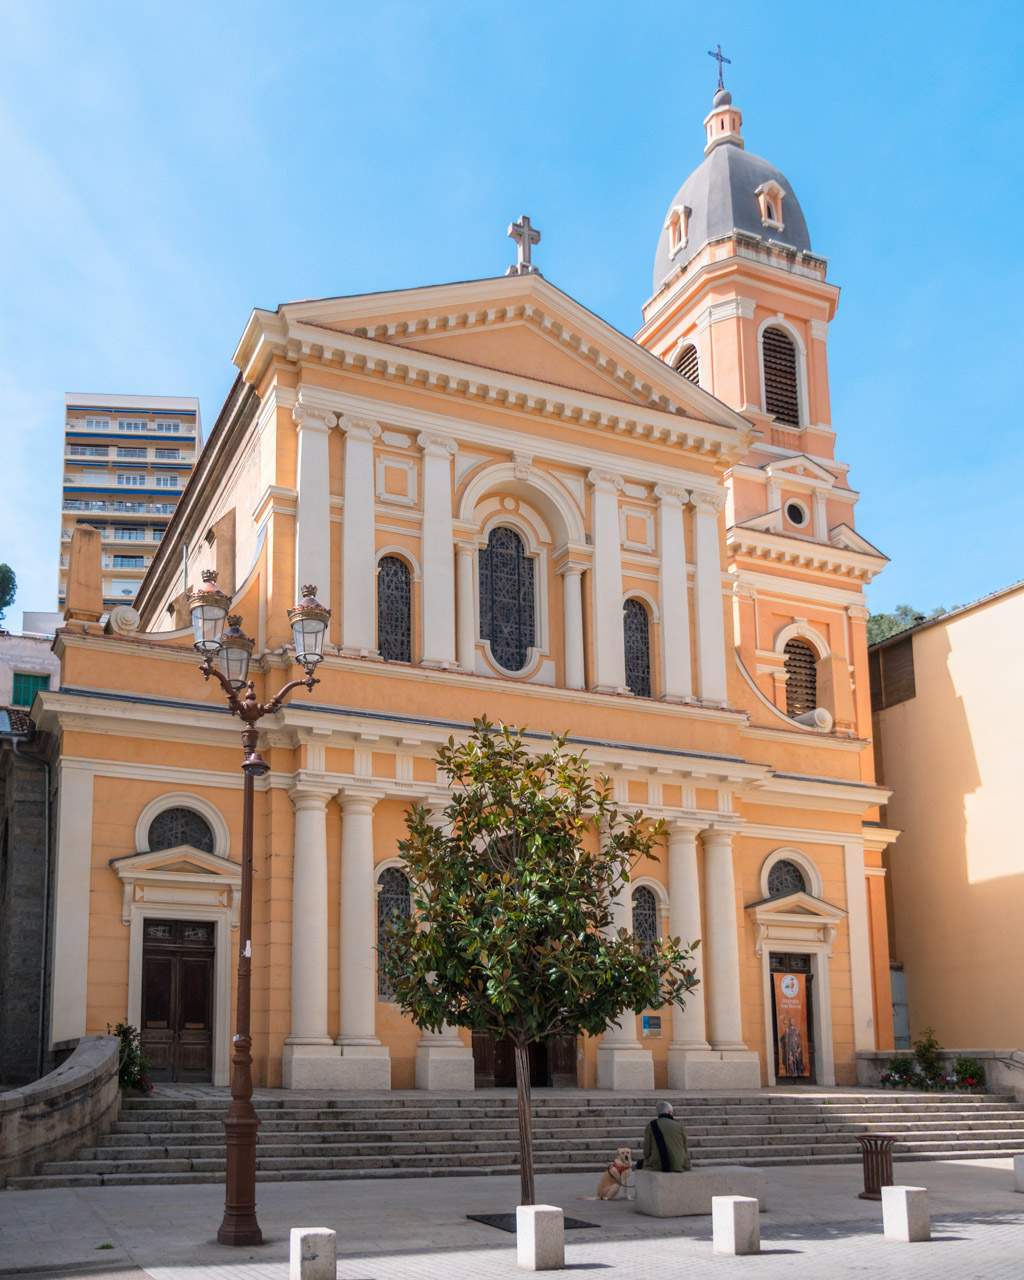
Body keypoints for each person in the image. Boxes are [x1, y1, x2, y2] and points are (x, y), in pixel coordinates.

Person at [641, 1100, 691, 1172]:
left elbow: (646, 1151)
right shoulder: (679, 1125)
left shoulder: (651, 1125)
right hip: (679, 1164)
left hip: (658, 1165)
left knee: (642, 1163)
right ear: (670, 1112)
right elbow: (685, 1148)